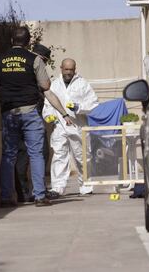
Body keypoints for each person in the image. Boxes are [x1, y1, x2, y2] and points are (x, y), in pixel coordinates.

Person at [0, 27, 73, 207]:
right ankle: (39, 196)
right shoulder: (34, 59)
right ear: (28, 43)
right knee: (36, 154)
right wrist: (64, 113)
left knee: (8, 155)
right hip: (30, 111)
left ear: (12, 40)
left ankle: (6, 198)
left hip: (8, 113)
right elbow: (45, 85)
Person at [42, 58, 99, 198]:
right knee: (59, 156)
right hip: (59, 127)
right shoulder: (54, 85)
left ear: (75, 69)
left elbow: (94, 103)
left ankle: (86, 186)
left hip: (78, 126)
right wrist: (49, 116)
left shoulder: (82, 84)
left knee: (82, 158)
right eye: (66, 69)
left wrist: (80, 107)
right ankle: (57, 188)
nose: (68, 72)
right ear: (61, 68)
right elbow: (48, 104)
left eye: (71, 69)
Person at [14, 43, 52, 203]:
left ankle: (24, 192)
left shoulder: (18, 65)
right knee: (40, 153)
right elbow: (45, 87)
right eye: (43, 60)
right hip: (31, 115)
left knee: (20, 155)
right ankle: (39, 192)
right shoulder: (34, 65)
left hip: (13, 114)